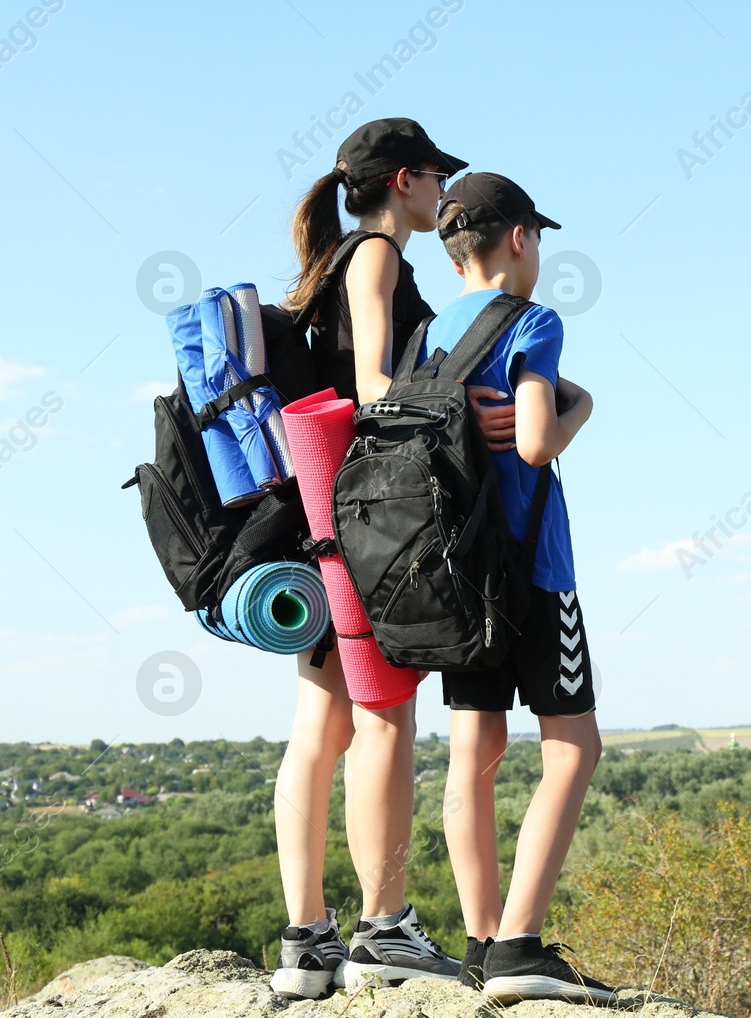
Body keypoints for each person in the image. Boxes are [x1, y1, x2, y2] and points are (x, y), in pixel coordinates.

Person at [269, 119, 510, 999]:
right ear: (404, 179)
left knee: (320, 731)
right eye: (437, 174)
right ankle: (385, 926)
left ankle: (307, 941)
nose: (443, 190)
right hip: (363, 520)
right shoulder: (374, 255)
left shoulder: (333, 261)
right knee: (385, 721)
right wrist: (457, 403)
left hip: (319, 516)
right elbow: (374, 383)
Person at [420, 173, 611, 1003]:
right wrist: (583, 407)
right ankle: (523, 947)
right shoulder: (534, 321)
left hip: (457, 577)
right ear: (521, 239)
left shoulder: (427, 335)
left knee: (474, 752)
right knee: (574, 746)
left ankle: (480, 940)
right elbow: (535, 443)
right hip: (533, 569)